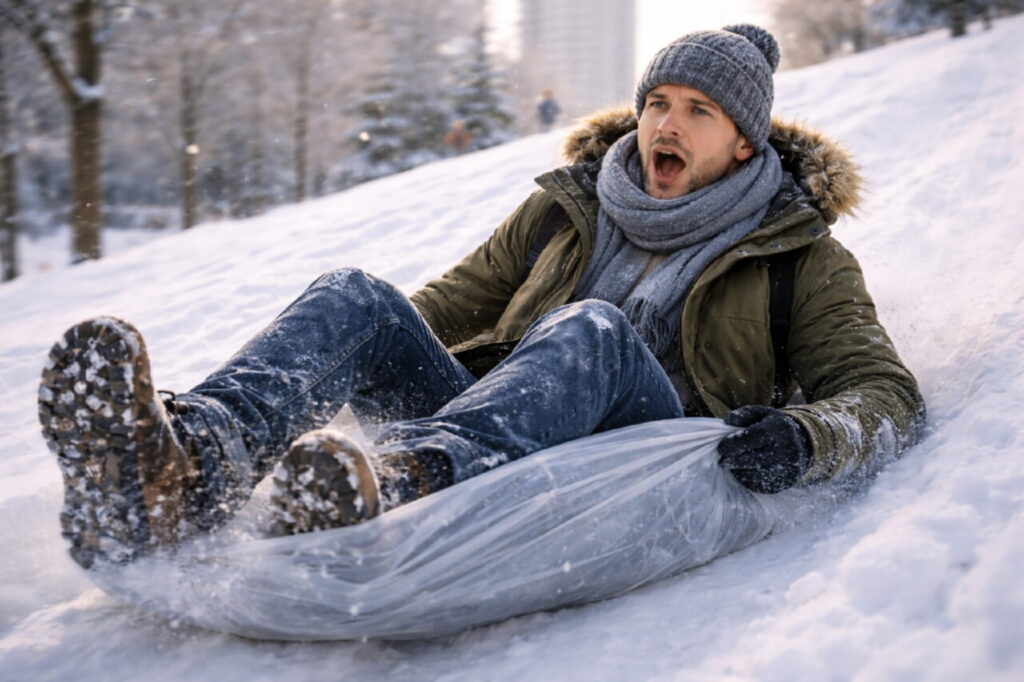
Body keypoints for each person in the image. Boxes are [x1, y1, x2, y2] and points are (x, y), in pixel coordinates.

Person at [39, 25, 924, 570]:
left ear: (742, 143)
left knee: (593, 329)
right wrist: (341, 356)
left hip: (637, 460)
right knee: (358, 295)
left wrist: (807, 438)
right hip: (492, 429)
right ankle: (183, 466)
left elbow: (888, 398)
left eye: (698, 110)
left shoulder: (799, 255)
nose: (664, 124)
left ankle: (405, 484)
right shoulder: (568, 206)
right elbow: (437, 309)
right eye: (658, 100)